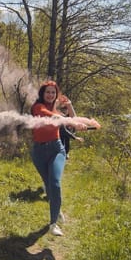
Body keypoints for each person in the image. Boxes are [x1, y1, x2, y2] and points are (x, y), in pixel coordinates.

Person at [30, 81, 100, 236]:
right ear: (42, 93)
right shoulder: (37, 108)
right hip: (39, 152)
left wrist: (72, 109)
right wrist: (70, 121)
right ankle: (57, 209)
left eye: (53, 92)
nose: (50, 95)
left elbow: (73, 118)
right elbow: (53, 117)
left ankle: (53, 223)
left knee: (55, 183)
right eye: (48, 92)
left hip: (56, 149)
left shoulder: (56, 110)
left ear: (56, 95)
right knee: (48, 186)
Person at [56, 94, 85, 159]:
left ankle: (65, 153)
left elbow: (75, 119)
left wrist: (69, 104)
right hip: (57, 134)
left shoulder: (68, 115)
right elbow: (64, 130)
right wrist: (75, 138)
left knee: (66, 139)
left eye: (65, 108)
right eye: (62, 109)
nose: (64, 110)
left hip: (65, 133)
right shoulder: (56, 114)